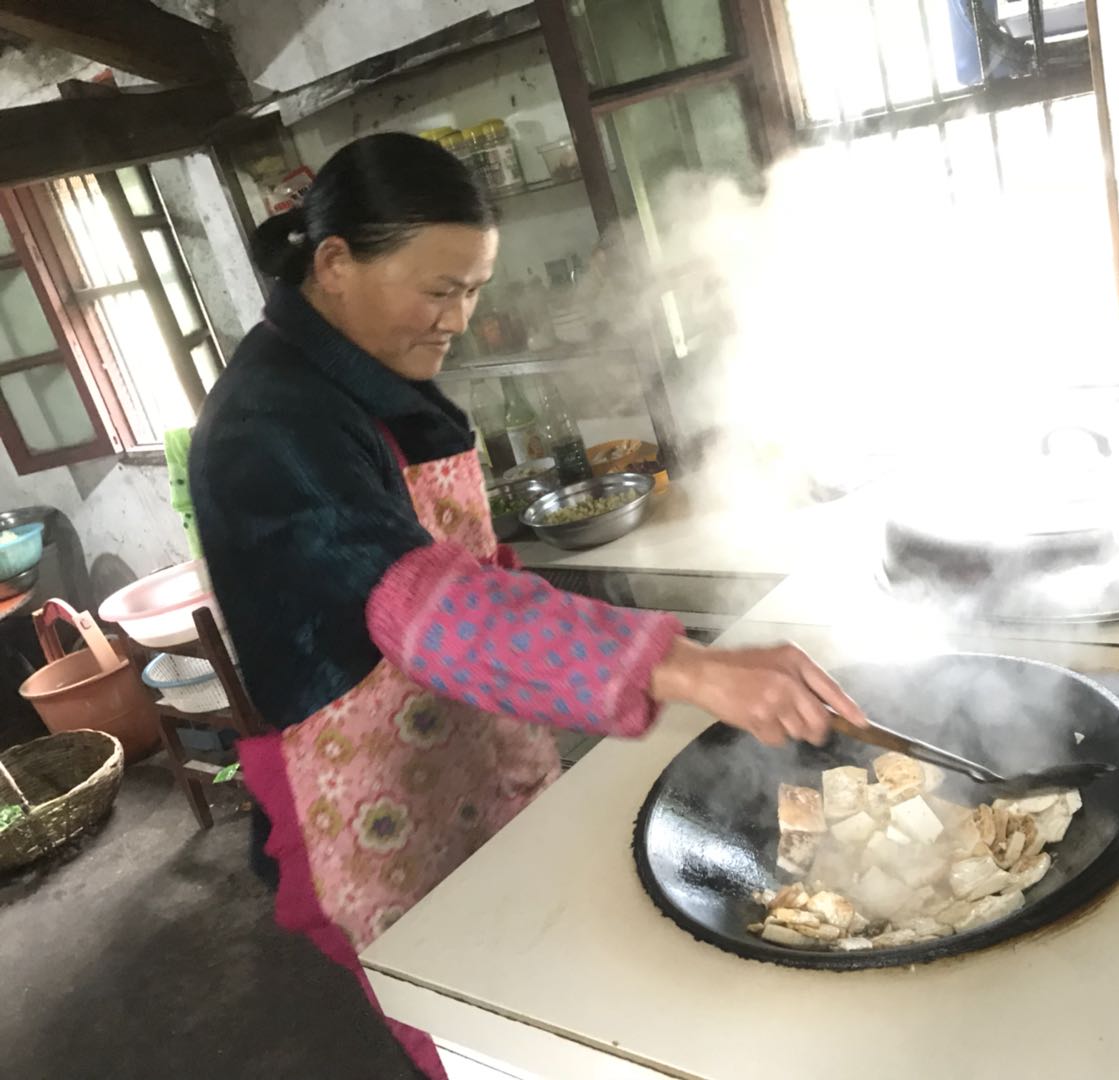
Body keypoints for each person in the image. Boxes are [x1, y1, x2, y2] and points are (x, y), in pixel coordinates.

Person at [189, 132, 865, 1079]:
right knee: (477, 1035)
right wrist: (687, 665)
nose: (459, 318)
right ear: (334, 262)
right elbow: (429, 602)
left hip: (466, 745)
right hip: (370, 800)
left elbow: (470, 568)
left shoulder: (365, 382)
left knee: (555, 988)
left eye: (473, 288)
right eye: (439, 289)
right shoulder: (273, 424)